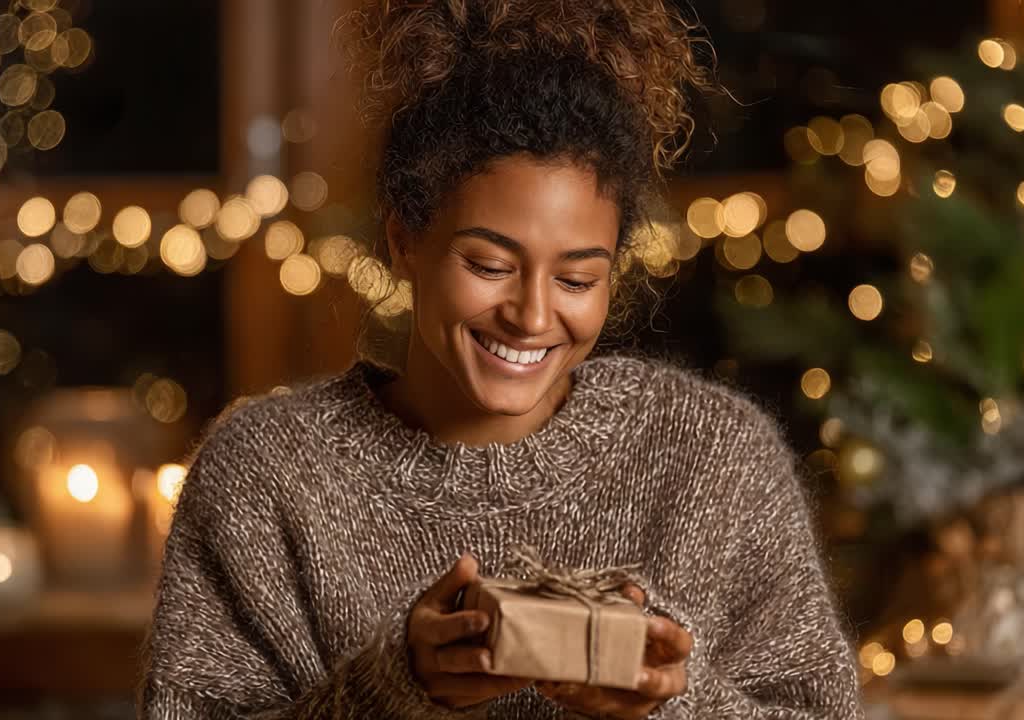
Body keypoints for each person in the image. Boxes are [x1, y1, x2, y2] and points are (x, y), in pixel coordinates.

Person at [137, 1, 862, 718]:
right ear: (404, 238)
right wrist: (394, 690)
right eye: (489, 265)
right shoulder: (263, 478)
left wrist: (671, 704)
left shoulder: (713, 458)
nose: (534, 316)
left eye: (577, 279)